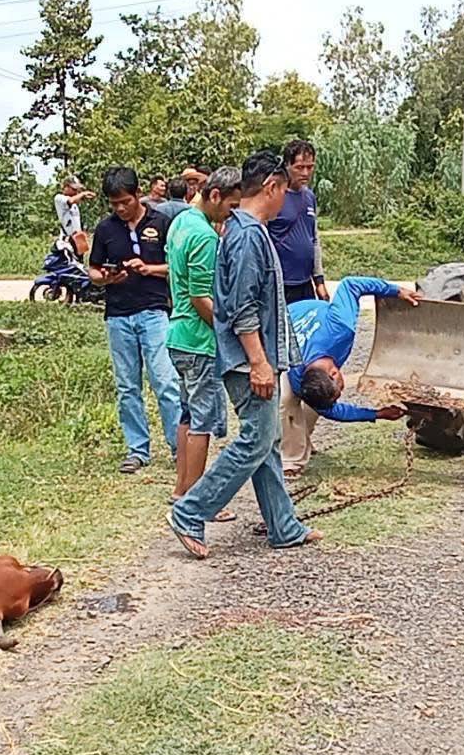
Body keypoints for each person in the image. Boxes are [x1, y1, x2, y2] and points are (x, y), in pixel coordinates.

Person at [169, 151, 322, 558]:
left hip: (252, 356)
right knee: (255, 441)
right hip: (247, 359)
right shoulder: (249, 236)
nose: (285, 201)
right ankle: (190, 511)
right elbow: (242, 307)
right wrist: (258, 361)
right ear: (271, 187)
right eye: (283, 192)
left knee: (266, 442)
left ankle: (283, 525)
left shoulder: (242, 229)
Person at [89, 166, 182, 474]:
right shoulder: (105, 229)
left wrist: (148, 268)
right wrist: (106, 279)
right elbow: (93, 270)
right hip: (118, 315)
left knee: (165, 381)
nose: (120, 208)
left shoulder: (163, 222)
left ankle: (178, 447)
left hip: (154, 311)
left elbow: (177, 266)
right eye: (114, 203)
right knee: (127, 386)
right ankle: (137, 450)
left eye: (125, 201)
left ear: (138, 193)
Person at [281, 276, 422, 478]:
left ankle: (303, 440)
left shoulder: (340, 325)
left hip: (308, 314)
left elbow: (350, 284)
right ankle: (291, 460)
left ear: (334, 373)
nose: (341, 393)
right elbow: (331, 411)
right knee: (287, 401)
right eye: (340, 392)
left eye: (338, 391)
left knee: (314, 403)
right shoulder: (296, 373)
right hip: (284, 329)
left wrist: (396, 291)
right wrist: (376, 414)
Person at [165, 165, 242, 519]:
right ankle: (196, 500)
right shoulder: (205, 237)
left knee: (186, 414)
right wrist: (229, 332)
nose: (232, 214)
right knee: (203, 421)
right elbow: (200, 296)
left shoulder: (181, 222)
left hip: (178, 335)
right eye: (231, 206)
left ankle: (181, 488)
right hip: (198, 341)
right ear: (215, 196)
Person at [271, 139, 328, 305]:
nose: (305, 173)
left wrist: (319, 281)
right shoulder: (275, 196)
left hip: (305, 283)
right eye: (299, 167)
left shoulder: (309, 197)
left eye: (310, 167)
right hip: (281, 284)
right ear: (287, 166)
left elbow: (314, 239)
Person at [54, 177, 95, 256]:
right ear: (66, 187)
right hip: (67, 242)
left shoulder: (75, 205)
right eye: (74, 189)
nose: (76, 192)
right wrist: (83, 194)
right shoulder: (59, 198)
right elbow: (70, 201)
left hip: (77, 240)